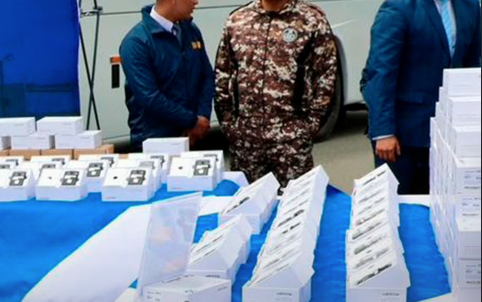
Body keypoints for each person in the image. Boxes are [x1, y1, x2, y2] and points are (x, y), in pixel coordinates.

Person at [362, 0, 482, 195]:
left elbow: (472, 65)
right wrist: (384, 132)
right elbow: (381, 73)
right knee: (399, 202)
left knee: (441, 202)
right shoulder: (398, 8)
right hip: (403, 137)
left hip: (448, 135)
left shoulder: (469, 5)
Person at [214, 0, 338, 186]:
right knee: (247, 202)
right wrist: (230, 125)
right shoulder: (237, 20)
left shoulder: (311, 20)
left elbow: (325, 76)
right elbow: (223, 73)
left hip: (291, 140)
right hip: (246, 141)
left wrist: (309, 127)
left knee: (295, 201)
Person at [119, 0, 214, 150]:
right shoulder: (136, 42)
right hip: (157, 141)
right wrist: (192, 121)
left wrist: (202, 117)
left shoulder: (191, 31)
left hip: (195, 136)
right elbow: (149, 96)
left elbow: (207, 76)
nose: (196, 2)